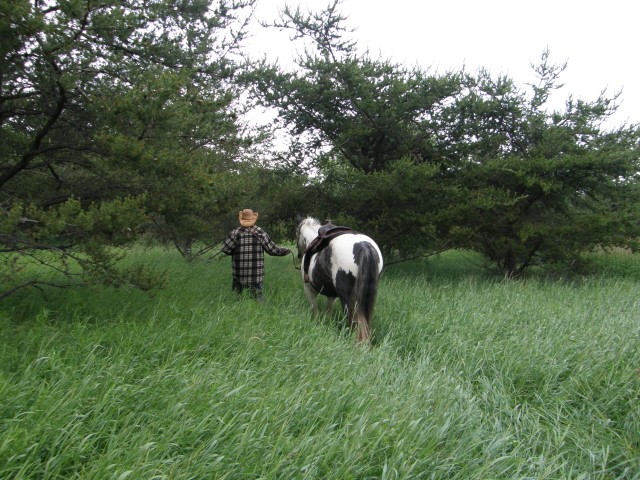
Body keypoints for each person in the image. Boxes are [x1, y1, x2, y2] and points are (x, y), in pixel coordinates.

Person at [221, 209, 290, 300]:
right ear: (253, 218)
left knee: (237, 298)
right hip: (256, 274)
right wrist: (285, 251)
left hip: (239, 273)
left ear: (241, 218)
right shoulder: (260, 232)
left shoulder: (235, 233)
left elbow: (225, 249)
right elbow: (272, 250)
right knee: (258, 299)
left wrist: (236, 251)